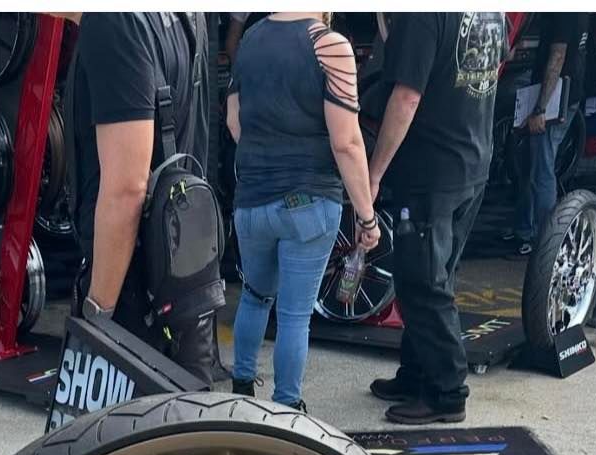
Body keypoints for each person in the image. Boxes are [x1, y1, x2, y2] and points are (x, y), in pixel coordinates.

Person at [227, 11, 381, 411]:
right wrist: (367, 216)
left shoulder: (251, 39)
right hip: (308, 202)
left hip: (253, 199)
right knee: (295, 316)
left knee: (254, 296)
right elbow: (346, 142)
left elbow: (233, 122)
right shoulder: (330, 46)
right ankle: (286, 408)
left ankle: (241, 390)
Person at [367, 11, 506, 425]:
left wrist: (373, 174)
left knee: (423, 282)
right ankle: (418, 371)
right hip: (471, 157)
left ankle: (447, 392)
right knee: (436, 274)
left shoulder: (422, 15)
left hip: (432, 168)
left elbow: (406, 97)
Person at [66, 11, 216, 384]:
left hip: (133, 290)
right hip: (178, 268)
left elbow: (126, 188)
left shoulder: (111, 21)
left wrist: (97, 315)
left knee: (112, 438)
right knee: (176, 429)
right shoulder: (186, 15)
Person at [506, 14, 589, 254]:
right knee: (533, 164)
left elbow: (558, 56)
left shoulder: (564, 16)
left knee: (541, 169)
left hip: (556, 98)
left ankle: (545, 241)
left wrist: (541, 108)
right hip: (566, 93)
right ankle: (525, 230)